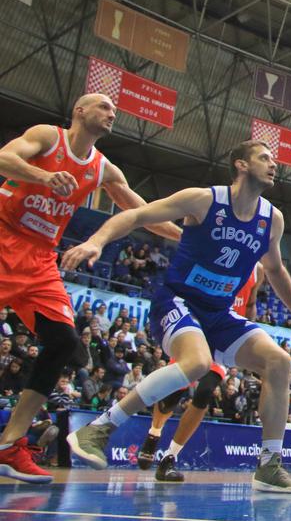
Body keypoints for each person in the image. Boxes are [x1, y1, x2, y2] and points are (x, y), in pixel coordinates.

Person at [62, 140, 291, 493]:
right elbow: (138, 215)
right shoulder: (204, 200)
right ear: (241, 165)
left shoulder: (272, 219)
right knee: (197, 363)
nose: (274, 165)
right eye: (265, 158)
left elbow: (275, 268)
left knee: (279, 361)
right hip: (177, 300)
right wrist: (97, 241)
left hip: (217, 313)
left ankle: (270, 465)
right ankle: (99, 427)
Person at [0, 95, 182, 484]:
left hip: (40, 260)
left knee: (64, 341)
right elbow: (4, 158)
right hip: (3, 237)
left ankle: (10, 444)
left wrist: (191, 239)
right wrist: (44, 177)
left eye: (114, 110)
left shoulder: (103, 169)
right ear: (79, 111)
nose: (111, 112)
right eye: (103, 106)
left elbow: (144, 214)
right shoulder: (48, 137)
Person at [135, 263, 265, 482]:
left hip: (223, 336)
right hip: (197, 329)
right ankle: (154, 432)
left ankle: (169, 458)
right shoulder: (223, 253)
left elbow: (250, 304)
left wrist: (248, 335)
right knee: (173, 392)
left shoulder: (258, 270)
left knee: (205, 392)